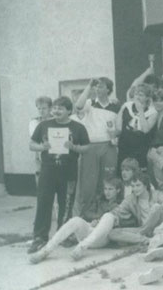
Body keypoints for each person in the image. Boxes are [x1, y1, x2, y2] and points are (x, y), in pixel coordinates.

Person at [28, 97, 90, 254]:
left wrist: (73, 146)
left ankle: (64, 236)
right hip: (47, 171)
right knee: (43, 203)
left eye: (60, 108)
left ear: (69, 111)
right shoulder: (44, 125)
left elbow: (87, 147)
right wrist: (42, 146)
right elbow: (31, 144)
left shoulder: (78, 127)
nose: (56, 111)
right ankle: (40, 238)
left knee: (66, 204)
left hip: (68, 172)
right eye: (54, 108)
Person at [70, 172, 163, 261]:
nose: (135, 189)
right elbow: (117, 211)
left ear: (145, 186)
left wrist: (162, 225)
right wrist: (99, 221)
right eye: (133, 186)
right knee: (112, 233)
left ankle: (152, 237)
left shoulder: (157, 195)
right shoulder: (131, 198)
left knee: (157, 207)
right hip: (142, 230)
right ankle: (148, 241)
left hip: (158, 227)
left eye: (138, 185)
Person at [29, 178, 124, 264]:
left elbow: (121, 225)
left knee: (108, 216)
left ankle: (81, 247)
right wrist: (94, 221)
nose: (107, 192)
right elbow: (86, 213)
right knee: (76, 220)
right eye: (105, 189)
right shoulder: (100, 200)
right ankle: (45, 251)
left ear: (118, 190)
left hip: (103, 238)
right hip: (90, 231)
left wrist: (101, 221)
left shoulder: (122, 205)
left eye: (110, 189)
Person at [72, 79, 120, 218]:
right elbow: (78, 106)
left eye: (101, 87)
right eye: (96, 87)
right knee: (88, 181)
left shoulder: (116, 105)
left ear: (109, 90)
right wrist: (89, 86)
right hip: (91, 146)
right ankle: (86, 213)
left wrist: (115, 134)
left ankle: (104, 212)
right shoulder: (90, 103)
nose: (97, 89)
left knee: (107, 179)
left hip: (109, 146)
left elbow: (119, 127)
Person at [116, 83, 157, 170]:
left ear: (147, 98)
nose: (137, 97)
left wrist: (141, 111)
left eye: (141, 95)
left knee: (138, 173)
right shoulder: (126, 106)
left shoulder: (152, 112)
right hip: (124, 146)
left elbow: (145, 130)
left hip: (140, 148)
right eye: (136, 94)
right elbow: (118, 127)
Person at [28, 96, 52, 187]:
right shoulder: (34, 122)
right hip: (40, 152)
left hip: (55, 152)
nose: (41, 111)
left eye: (44, 108)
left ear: (50, 108)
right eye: (39, 108)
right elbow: (34, 139)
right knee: (40, 175)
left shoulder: (56, 120)